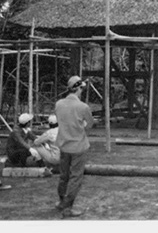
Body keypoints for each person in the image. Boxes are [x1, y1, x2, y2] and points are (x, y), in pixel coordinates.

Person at [54, 76, 94, 217]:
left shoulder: (59, 104)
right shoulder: (83, 107)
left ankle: (61, 201)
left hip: (64, 145)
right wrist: (80, 127)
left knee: (64, 175)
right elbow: (89, 124)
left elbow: (60, 120)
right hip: (78, 146)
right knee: (75, 177)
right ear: (79, 88)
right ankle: (67, 207)